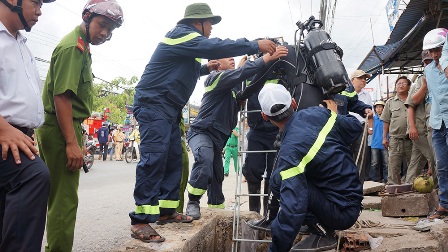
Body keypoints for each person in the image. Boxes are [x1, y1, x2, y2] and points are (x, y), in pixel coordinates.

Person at [130, 2, 277, 242]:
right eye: (209, 24)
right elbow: (215, 46)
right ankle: (140, 220)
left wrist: (203, 68)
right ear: (197, 22)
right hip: (154, 104)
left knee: (173, 159)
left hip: (169, 107)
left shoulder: (187, 47)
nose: (211, 29)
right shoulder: (181, 35)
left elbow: (182, 69)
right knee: (154, 158)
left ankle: (166, 211)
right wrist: (253, 45)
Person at [35, 1, 123, 251]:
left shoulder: (82, 47)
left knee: (59, 198)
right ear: (86, 17)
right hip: (61, 128)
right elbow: (62, 97)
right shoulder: (73, 47)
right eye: (102, 25)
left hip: (62, 126)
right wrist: (72, 143)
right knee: (63, 201)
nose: (105, 33)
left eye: (111, 30)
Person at [185, 47, 289, 220]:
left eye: (233, 57)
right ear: (216, 64)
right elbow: (239, 75)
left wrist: (241, 98)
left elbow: (239, 93)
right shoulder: (214, 78)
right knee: (204, 158)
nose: (232, 58)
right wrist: (265, 59)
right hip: (202, 132)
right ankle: (193, 202)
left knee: (217, 177)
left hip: (218, 140)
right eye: (227, 57)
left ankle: (216, 211)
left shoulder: (231, 87)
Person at [257, 84, 362, 252]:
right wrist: (335, 115)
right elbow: (355, 127)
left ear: (264, 116)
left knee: (278, 181)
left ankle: (321, 232)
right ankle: (314, 222)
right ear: (293, 103)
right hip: (351, 198)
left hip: (341, 213)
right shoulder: (319, 113)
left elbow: (292, 211)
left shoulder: (289, 153)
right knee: (287, 177)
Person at [0, 0, 54, 251]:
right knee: (34, 177)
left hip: (18, 135)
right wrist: (3, 128)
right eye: (36, 2)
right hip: (3, 131)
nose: (40, 11)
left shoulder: (21, 44)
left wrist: (27, 135)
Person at [422, 28, 448, 219]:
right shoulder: (428, 71)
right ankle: (445, 204)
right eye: (430, 51)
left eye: (438, 50)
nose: (434, 54)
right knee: (442, 166)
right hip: (439, 124)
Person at [404, 50, 436, 184]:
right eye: (426, 61)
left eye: (431, 61)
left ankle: (409, 186)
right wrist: (412, 127)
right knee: (434, 158)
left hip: (427, 128)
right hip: (419, 129)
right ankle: (436, 188)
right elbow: (411, 103)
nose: (429, 64)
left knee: (416, 161)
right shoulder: (420, 80)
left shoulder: (440, 77)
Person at [381, 76, 412, 185]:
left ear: (409, 86)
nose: (401, 85)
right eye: (398, 83)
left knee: (412, 165)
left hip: (412, 139)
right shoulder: (390, 102)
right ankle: (393, 187)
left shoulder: (414, 99)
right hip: (395, 139)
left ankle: (412, 186)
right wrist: (384, 137)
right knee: (393, 165)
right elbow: (386, 121)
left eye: (404, 83)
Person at [348, 70, 373, 180]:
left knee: (361, 156)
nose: (364, 80)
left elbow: (370, 113)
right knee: (347, 155)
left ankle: (359, 185)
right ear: (352, 80)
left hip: (361, 127)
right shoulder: (344, 92)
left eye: (365, 78)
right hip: (346, 127)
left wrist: (370, 127)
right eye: (360, 78)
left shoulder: (366, 94)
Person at [369, 101, 388, 183]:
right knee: (374, 163)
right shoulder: (372, 119)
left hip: (385, 143)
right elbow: (369, 131)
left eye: (380, 107)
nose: (378, 109)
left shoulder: (387, 119)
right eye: (377, 107)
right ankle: (374, 180)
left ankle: (387, 179)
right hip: (375, 144)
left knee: (386, 163)